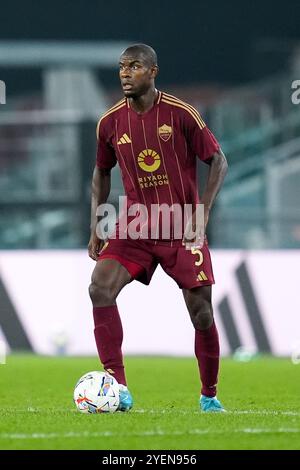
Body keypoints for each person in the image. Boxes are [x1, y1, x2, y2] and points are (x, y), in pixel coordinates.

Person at [88, 44, 228, 412]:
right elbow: (102, 171)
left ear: (153, 72)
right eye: (121, 67)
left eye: (133, 67)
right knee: (100, 288)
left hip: (181, 227)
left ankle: (209, 395)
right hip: (135, 227)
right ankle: (116, 386)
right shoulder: (110, 122)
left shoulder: (182, 114)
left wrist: (203, 211)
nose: (124, 73)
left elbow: (218, 160)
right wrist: (98, 224)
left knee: (202, 314)